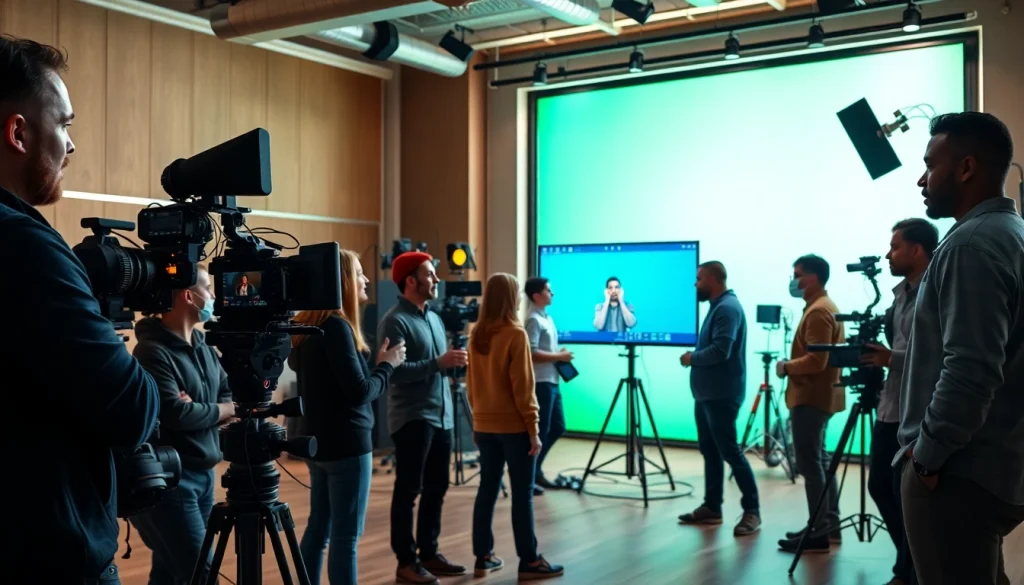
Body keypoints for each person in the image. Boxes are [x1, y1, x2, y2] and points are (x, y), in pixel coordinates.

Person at [1, 36, 160, 584]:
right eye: (64, 125)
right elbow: (134, 409)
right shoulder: (24, 246)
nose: (71, 146)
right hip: (49, 559)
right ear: (19, 132)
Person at [896, 112, 1024, 585]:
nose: (921, 178)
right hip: (995, 466)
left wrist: (927, 456)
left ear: (966, 168)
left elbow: (970, 369)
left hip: (958, 474)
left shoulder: (970, 244)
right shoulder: (1012, 234)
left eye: (930, 164)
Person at [289, 250, 407, 585]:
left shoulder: (307, 328)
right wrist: (387, 365)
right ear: (340, 281)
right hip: (348, 447)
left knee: (318, 528)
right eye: (358, 273)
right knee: (344, 537)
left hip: (319, 444)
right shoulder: (337, 327)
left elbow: (339, 386)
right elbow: (358, 392)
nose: (366, 279)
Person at [129, 264, 236, 585]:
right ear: (189, 296)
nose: (214, 296)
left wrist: (208, 409)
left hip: (204, 473)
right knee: (201, 574)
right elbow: (176, 413)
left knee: (169, 571)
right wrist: (220, 410)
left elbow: (226, 391)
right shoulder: (150, 351)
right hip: (172, 481)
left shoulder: (202, 344)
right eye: (208, 288)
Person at [378, 251, 468, 585]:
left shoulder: (434, 317)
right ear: (411, 281)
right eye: (430, 274)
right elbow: (393, 373)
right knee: (408, 490)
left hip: (440, 415)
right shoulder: (395, 321)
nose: (437, 280)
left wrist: (451, 365)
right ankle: (406, 561)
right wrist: (438, 364)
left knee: (437, 487)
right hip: (413, 418)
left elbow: (436, 365)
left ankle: (429, 552)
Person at [467, 273, 565, 581]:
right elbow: (524, 388)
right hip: (513, 428)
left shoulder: (477, 334)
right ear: (511, 297)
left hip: (484, 425)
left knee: (487, 490)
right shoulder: (514, 334)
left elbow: (471, 386)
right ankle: (530, 560)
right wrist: (534, 428)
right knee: (522, 494)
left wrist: (477, 420)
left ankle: (483, 557)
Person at [860, 218, 938, 585]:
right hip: (890, 405)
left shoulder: (934, 291)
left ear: (917, 250)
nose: (889, 254)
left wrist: (889, 358)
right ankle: (907, 562)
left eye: (895, 247)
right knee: (879, 486)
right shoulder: (900, 294)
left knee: (903, 494)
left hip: (918, 412)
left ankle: (908, 571)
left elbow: (935, 355)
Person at [677, 261, 761, 536]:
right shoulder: (719, 307)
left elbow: (720, 351)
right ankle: (712, 507)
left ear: (713, 279)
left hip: (721, 396)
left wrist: (692, 358)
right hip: (707, 395)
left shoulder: (726, 308)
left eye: (699, 278)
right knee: (711, 452)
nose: (695, 284)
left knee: (730, 453)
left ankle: (752, 512)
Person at [775, 254, 846, 554]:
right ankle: (828, 524)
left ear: (814, 277)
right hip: (819, 396)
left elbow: (818, 360)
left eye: (798, 274)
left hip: (810, 398)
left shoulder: (818, 311)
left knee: (810, 465)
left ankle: (818, 531)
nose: (794, 280)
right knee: (821, 462)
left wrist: (787, 367)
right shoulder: (822, 307)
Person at [524, 277, 573, 494]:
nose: (552, 294)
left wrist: (557, 356)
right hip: (541, 382)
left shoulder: (547, 318)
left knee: (557, 426)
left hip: (552, 380)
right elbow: (531, 353)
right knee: (540, 432)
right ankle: (529, 476)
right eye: (548, 290)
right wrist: (558, 356)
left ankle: (536, 471)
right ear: (537, 295)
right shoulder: (533, 320)